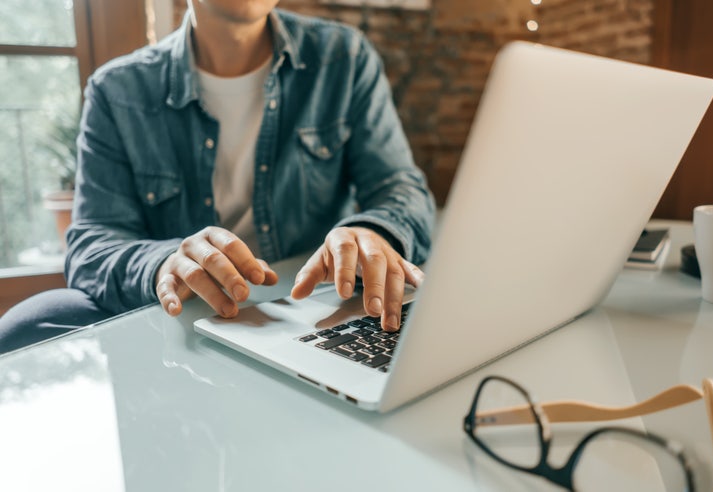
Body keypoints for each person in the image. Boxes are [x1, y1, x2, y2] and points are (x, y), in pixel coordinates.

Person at [0, 0, 435, 354]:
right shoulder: (117, 90)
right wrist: (164, 262)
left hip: (313, 309)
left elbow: (401, 188)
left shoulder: (343, 58)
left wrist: (370, 231)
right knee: (32, 321)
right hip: (191, 314)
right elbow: (93, 244)